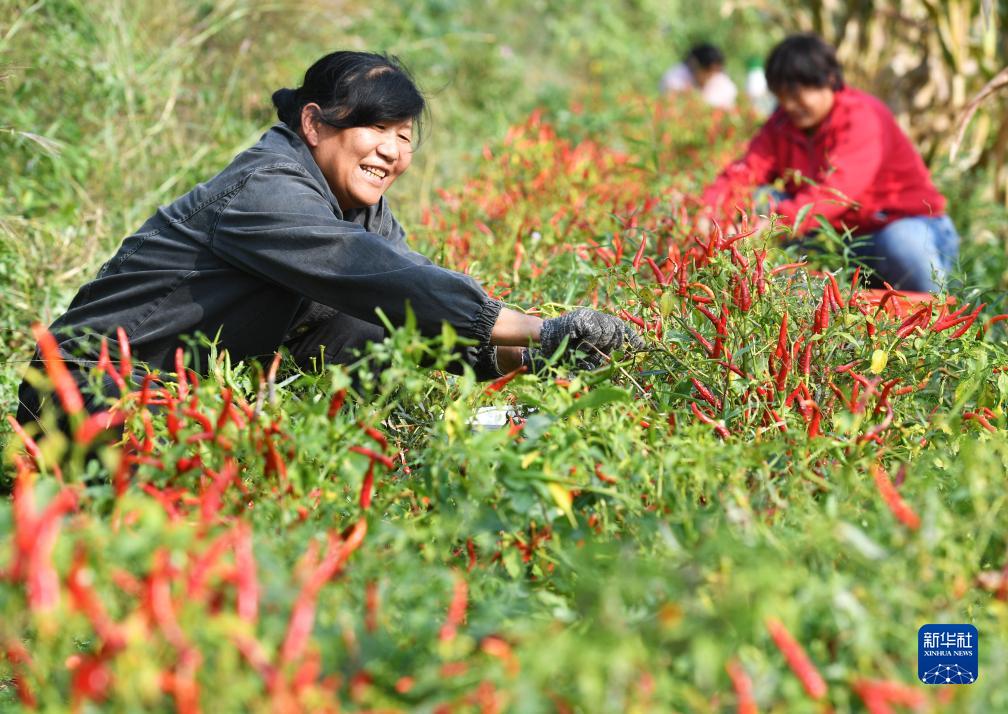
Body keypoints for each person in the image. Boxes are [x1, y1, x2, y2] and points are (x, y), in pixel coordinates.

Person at [16, 51, 642, 425]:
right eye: (376, 128)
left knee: (375, 340)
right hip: (92, 396)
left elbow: (404, 307)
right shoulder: (266, 189)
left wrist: (526, 360)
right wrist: (535, 325)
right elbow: (372, 272)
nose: (392, 151)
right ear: (313, 123)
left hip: (183, 405)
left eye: (405, 135)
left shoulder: (353, 204)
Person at [701, 33, 958, 293]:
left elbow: (837, 192)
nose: (789, 105)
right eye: (782, 96)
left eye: (797, 95)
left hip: (896, 226)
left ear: (830, 80)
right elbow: (746, 170)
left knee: (899, 244)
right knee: (759, 199)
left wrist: (775, 223)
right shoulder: (782, 123)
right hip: (838, 235)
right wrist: (709, 211)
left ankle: (936, 310)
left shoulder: (862, 117)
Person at [661, 43, 738, 110]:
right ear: (694, 65)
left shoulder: (720, 79)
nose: (710, 77)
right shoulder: (676, 76)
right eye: (707, 72)